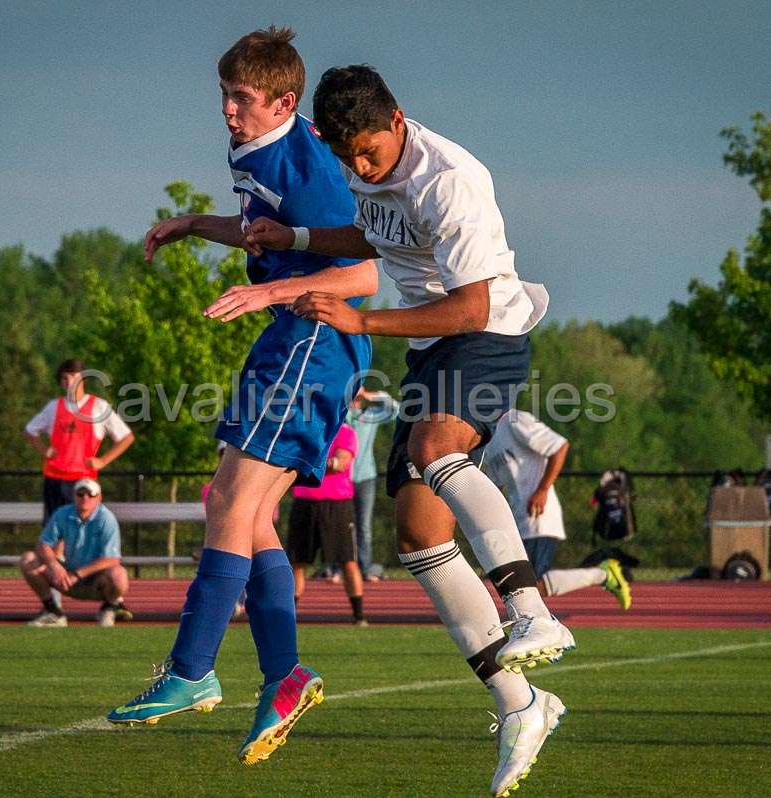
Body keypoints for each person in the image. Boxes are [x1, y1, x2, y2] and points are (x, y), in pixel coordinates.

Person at [245, 64, 569, 796]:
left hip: (485, 331)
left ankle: (531, 610)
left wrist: (361, 320)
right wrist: (293, 232)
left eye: (369, 153)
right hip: (431, 344)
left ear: (398, 121)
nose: (359, 167)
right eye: (346, 157)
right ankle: (522, 704)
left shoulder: (450, 179)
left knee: (432, 449)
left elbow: (472, 306)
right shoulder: (367, 167)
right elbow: (369, 233)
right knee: (419, 534)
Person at [105, 28, 377, 769]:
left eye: (243, 99)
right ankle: (283, 674)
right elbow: (269, 232)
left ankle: (191, 672)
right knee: (242, 509)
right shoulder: (255, 147)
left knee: (231, 503)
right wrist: (198, 225)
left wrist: (273, 292)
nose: (228, 110)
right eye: (224, 95)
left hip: (316, 338)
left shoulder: (305, 162)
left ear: (285, 101)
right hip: (291, 332)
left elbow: (365, 276)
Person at [482, 410, 631, 608]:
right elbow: (495, 484)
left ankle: (602, 574)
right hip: (517, 520)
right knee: (517, 587)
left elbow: (559, 446)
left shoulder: (515, 420)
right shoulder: (488, 436)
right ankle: (534, 624)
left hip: (538, 518)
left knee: (530, 588)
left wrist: (542, 490)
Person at [25, 358, 135, 524]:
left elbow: (126, 437)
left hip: (83, 481)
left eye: (73, 376)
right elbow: (30, 431)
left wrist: (102, 461)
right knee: (53, 531)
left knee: (81, 528)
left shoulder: (98, 406)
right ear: (61, 383)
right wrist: (44, 450)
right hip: (54, 478)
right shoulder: (54, 407)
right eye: (64, 378)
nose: (69, 381)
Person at [19, 478, 130, 627]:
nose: (85, 498)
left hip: (95, 581)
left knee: (119, 575)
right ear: (73, 495)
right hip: (65, 578)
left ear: (99, 497)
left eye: (91, 494)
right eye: (80, 493)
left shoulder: (106, 518)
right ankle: (53, 611)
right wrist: (54, 565)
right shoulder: (62, 514)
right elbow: (43, 544)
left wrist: (77, 574)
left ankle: (108, 608)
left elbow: (112, 559)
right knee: (28, 560)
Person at [287, 424, 366, 625]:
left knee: (348, 560)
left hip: (337, 504)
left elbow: (340, 463)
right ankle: (288, 615)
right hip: (304, 502)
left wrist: (306, 464)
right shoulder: (303, 430)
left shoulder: (345, 432)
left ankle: (359, 616)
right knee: (297, 561)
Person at [348, 386, 398, 580]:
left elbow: (396, 409)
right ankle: (342, 567)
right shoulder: (341, 418)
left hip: (366, 477)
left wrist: (371, 395)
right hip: (340, 479)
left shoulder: (369, 416)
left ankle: (365, 566)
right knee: (342, 525)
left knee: (364, 525)